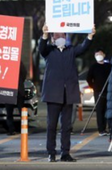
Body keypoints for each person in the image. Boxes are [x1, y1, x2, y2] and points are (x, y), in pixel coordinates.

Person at [39, 24, 96, 162]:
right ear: (53, 39)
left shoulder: (71, 50)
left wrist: (90, 36)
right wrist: (45, 35)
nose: (60, 38)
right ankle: (51, 153)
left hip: (68, 94)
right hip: (53, 94)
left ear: (66, 37)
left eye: (62, 35)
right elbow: (41, 48)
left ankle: (65, 153)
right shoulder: (49, 51)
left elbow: (83, 48)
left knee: (67, 126)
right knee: (51, 125)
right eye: (57, 36)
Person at [87, 48, 112, 136]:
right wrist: (94, 87)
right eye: (97, 54)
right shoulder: (93, 67)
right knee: (100, 110)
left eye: (100, 54)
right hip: (98, 91)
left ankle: (111, 128)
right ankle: (101, 129)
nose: (99, 56)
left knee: (109, 110)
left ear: (104, 55)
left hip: (109, 91)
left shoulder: (109, 66)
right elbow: (89, 79)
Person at [5, 61, 27, 135]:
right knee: (22, 111)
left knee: (9, 112)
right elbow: (24, 73)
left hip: (9, 89)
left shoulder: (5, 63)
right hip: (19, 89)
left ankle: (11, 130)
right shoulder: (19, 62)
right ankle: (23, 128)